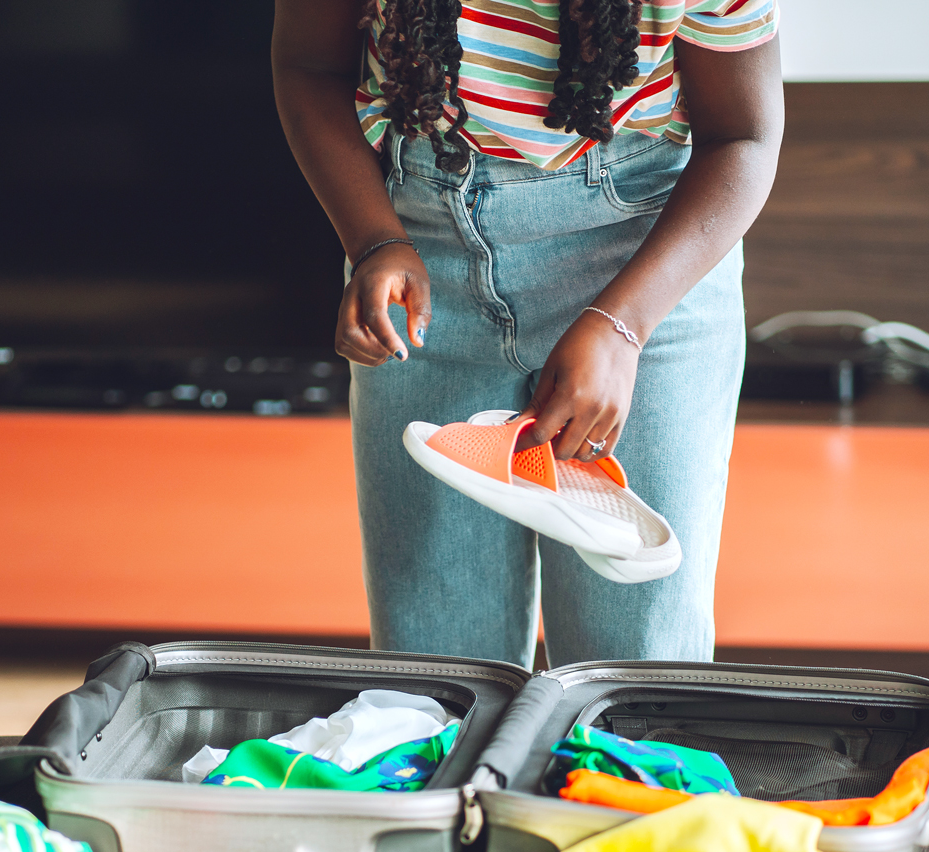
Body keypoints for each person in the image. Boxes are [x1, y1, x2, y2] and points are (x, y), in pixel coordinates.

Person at [274, 0, 782, 669]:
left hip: (643, 259)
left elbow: (744, 138)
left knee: (632, 671)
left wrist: (623, 326)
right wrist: (374, 242)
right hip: (422, 246)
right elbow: (308, 66)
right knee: (434, 674)